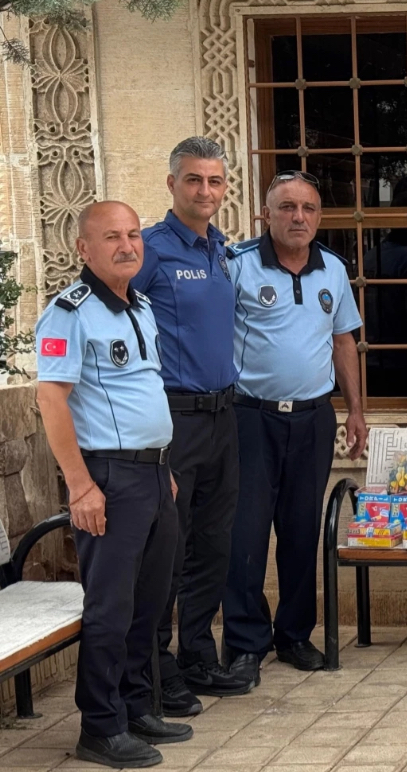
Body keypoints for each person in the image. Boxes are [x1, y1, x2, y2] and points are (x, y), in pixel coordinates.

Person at [34, 202, 193, 768]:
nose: (127, 246)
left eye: (133, 235)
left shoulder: (139, 306)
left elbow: (141, 394)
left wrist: (164, 467)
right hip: (106, 477)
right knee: (110, 606)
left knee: (149, 601)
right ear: (84, 248)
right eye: (111, 238)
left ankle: (133, 705)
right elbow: (51, 399)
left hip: (153, 472)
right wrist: (80, 487)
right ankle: (100, 727)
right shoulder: (68, 313)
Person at [221, 171, 367, 682]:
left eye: (307, 208)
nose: (298, 217)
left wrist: (355, 409)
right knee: (246, 534)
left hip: (313, 419)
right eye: (286, 208)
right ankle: (243, 645)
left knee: (303, 532)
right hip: (250, 418)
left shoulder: (333, 270)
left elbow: (344, 341)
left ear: (320, 216)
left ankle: (294, 636)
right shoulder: (236, 266)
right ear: (267, 215)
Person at [131, 137, 249, 717]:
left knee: (212, 546)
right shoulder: (150, 249)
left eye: (216, 181)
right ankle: (156, 671)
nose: (206, 191)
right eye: (194, 180)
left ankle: (198, 654)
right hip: (174, 419)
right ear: (172, 185)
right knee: (167, 551)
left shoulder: (219, 249)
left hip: (224, 415)